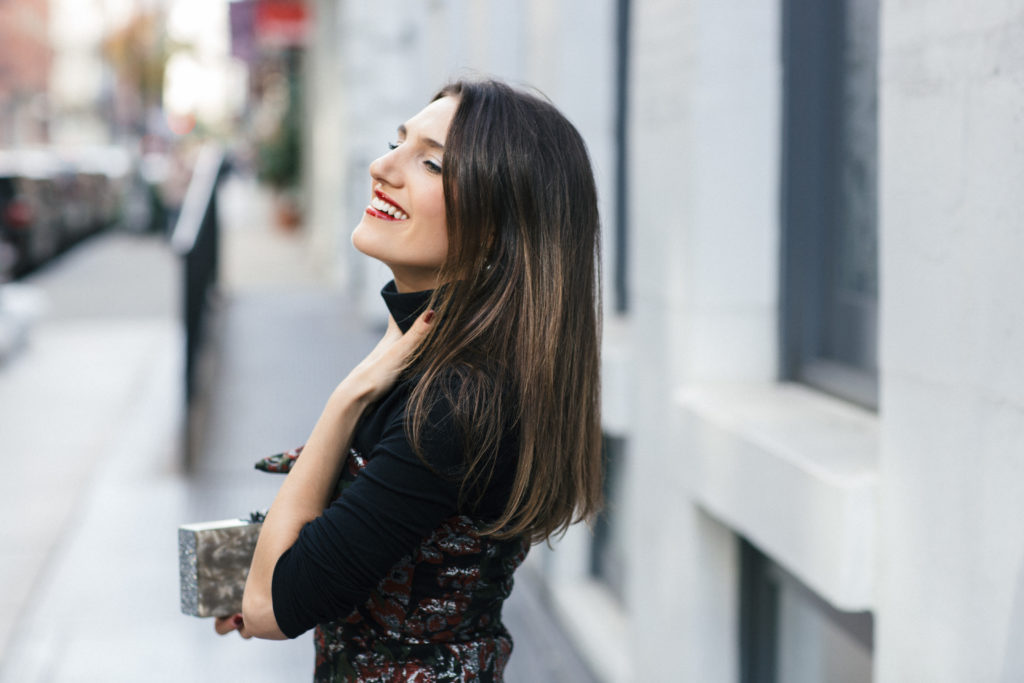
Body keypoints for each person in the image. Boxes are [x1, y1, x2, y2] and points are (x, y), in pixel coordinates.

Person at [215, 78, 603, 682]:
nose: (381, 167)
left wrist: (346, 399)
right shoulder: (436, 358)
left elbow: (269, 608)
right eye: (395, 142)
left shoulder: (458, 401)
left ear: (498, 229)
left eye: (429, 162)